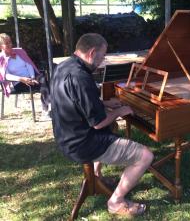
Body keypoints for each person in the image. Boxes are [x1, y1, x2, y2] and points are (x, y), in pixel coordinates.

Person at [51, 33, 154, 217]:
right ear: (91, 52)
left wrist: (105, 104)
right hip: (82, 143)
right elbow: (98, 124)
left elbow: (76, 100)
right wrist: (120, 112)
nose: (103, 60)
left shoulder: (64, 66)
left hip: (64, 136)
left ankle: (96, 177)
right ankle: (115, 202)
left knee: (111, 126)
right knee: (145, 156)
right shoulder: (82, 78)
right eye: (102, 56)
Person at [0, 33, 50, 118]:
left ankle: (47, 109)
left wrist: (32, 77)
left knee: (44, 80)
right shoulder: (1, 58)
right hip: (18, 82)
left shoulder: (19, 51)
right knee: (44, 85)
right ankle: (47, 108)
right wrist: (22, 79)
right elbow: (6, 75)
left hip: (31, 76)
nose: (10, 44)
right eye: (6, 43)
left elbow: (29, 64)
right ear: (1, 46)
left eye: (10, 42)